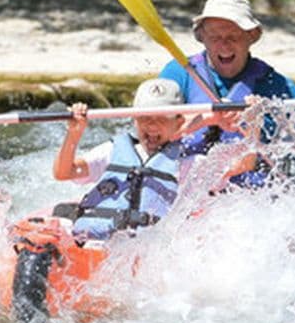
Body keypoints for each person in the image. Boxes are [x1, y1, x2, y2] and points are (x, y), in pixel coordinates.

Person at [159, 0, 295, 193]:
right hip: (190, 189)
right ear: (202, 38)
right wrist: (208, 118)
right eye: (215, 37)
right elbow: (152, 132)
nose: (224, 45)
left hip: (251, 198)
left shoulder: (278, 87)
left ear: (251, 36)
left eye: (233, 37)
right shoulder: (179, 74)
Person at [52, 78, 199, 241]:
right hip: (94, 243)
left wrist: (218, 119)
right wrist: (74, 133)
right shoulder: (113, 150)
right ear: (134, 118)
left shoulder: (187, 163)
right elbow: (63, 173)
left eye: (162, 118)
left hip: (144, 251)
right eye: (145, 117)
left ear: (179, 122)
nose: (152, 125)